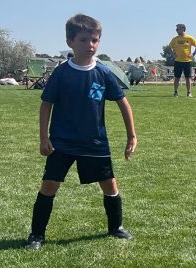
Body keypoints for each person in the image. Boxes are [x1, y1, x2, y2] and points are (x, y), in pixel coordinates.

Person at [25, 14, 137, 250]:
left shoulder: (104, 73)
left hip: (94, 143)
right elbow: (46, 104)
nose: (91, 45)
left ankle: (115, 227)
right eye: (84, 40)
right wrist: (43, 138)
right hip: (62, 143)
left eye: (95, 40)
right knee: (49, 186)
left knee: (110, 185)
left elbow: (122, 102)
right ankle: (36, 235)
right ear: (70, 42)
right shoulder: (62, 73)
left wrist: (132, 136)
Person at [168, 23, 196, 97]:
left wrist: (193, 54)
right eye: (176, 29)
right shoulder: (175, 39)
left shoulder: (189, 38)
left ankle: (189, 92)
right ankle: (175, 92)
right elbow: (169, 47)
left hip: (187, 61)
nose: (176, 30)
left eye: (178, 29)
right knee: (177, 77)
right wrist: (173, 54)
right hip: (178, 61)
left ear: (183, 29)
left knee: (187, 78)